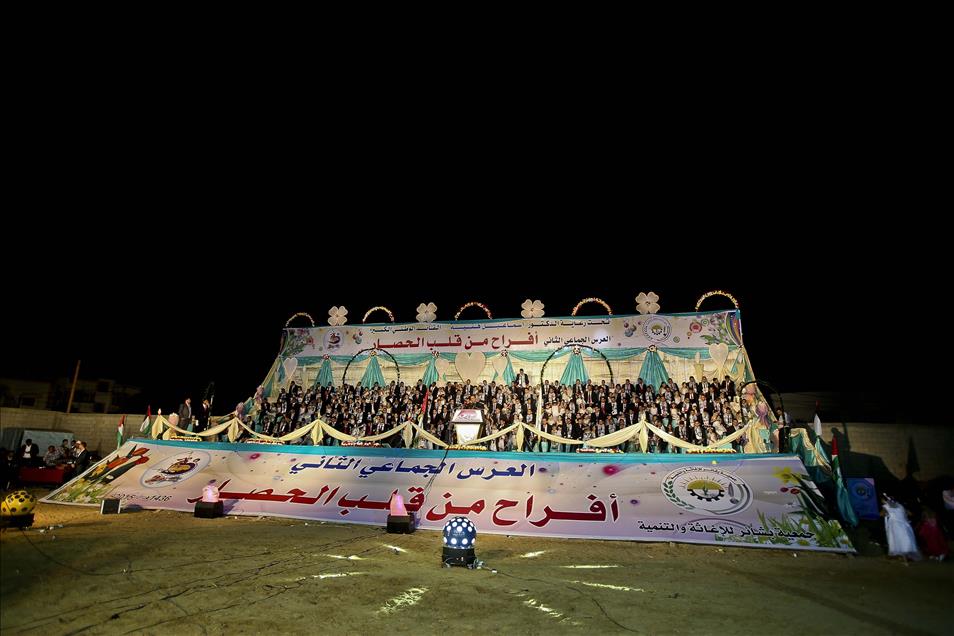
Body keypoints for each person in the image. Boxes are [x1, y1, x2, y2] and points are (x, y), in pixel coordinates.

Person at [882, 495, 922, 561]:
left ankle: (899, 555)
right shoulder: (900, 506)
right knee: (904, 538)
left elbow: (881, 514)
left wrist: (886, 514)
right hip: (904, 524)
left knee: (895, 539)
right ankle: (905, 555)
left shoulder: (886, 506)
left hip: (894, 524)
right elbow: (910, 514)